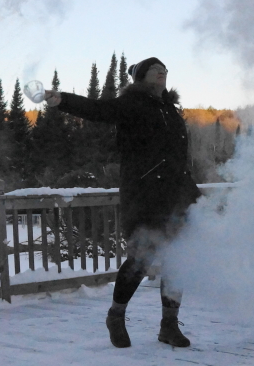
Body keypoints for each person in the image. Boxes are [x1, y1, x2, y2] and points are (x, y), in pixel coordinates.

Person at [45, 57, 201, 348]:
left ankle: (169, 325)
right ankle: (116, 316)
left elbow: (178, 160)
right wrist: (63, 100)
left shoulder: (170, 110)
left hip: (176, 195)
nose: (162, 74)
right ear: (142, 76)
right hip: (144, 194)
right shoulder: (132, 104)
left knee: (177, 261)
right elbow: (98, 110)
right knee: (141, 258)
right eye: (156, 70)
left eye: (165, 71)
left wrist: (193, 194)